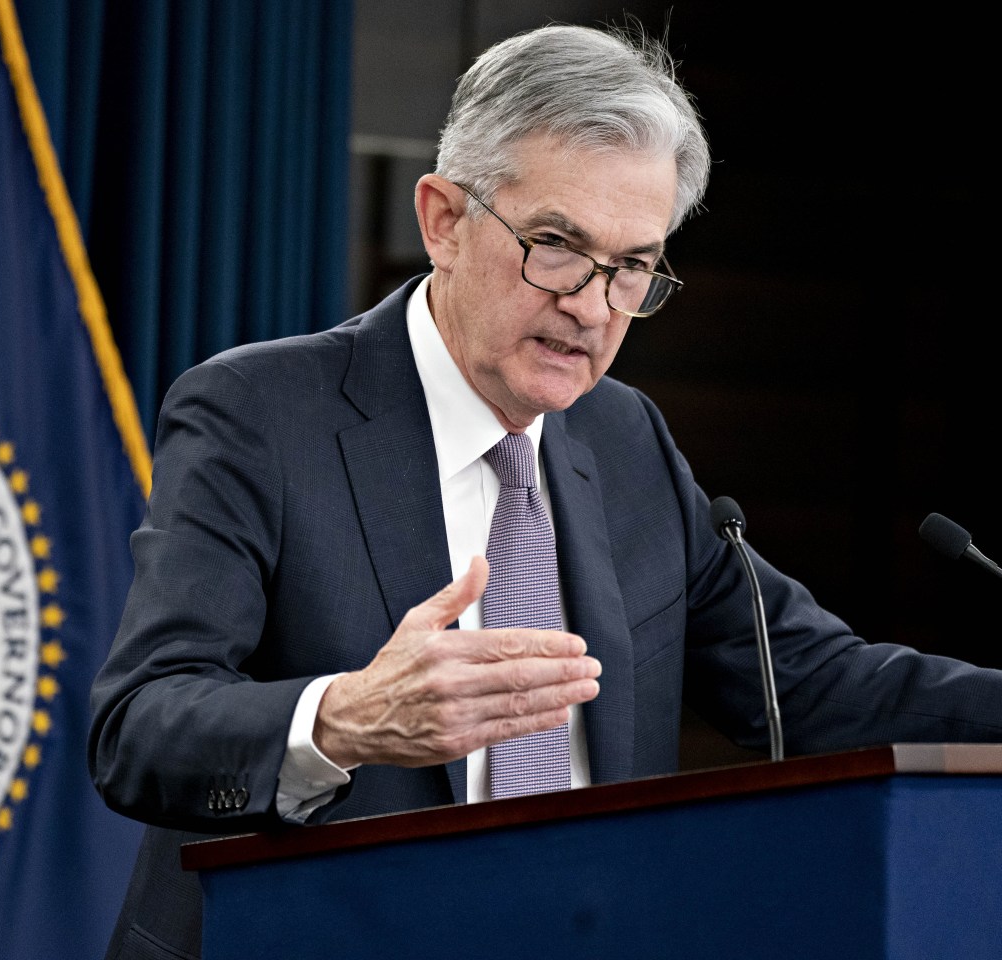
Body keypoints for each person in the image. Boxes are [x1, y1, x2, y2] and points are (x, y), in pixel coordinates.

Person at [87, 20, 1002, 960]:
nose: (593, 305)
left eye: (634, 267)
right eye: (557, 245)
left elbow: (809, 680)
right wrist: (347, 716)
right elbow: (139, 728)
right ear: (444, 219)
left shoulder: (625, 434)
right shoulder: (259, 412)